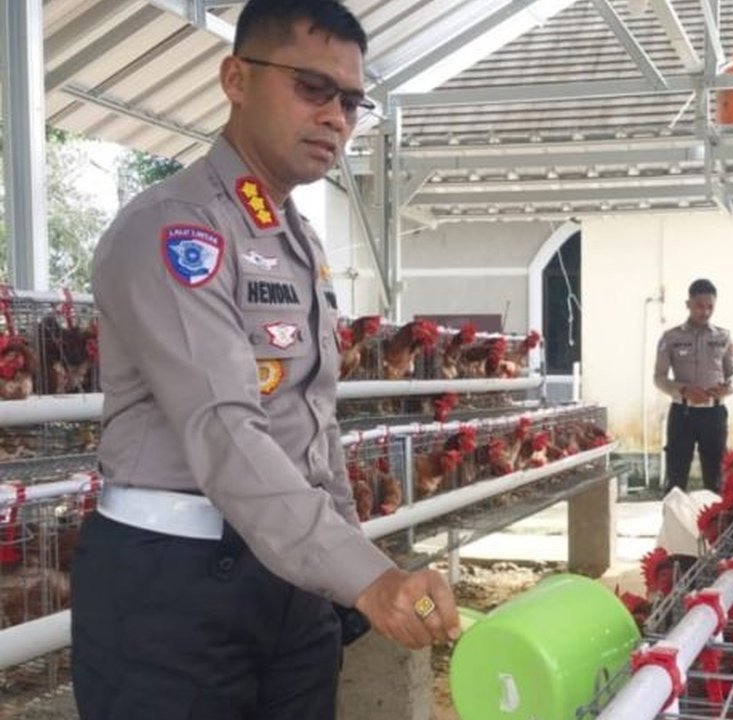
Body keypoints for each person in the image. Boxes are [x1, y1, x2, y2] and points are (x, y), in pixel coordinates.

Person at [70, 2, 459, 718]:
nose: (337, 116)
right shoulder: (176, 229)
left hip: (289, 580)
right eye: (313, 88)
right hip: (175, 588)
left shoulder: (297, 240)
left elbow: (313, 423)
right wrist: (364, 578)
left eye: (351, 100)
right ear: (235, 79)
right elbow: (223, 427)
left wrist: (347, 571)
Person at [654, 279, 733, 493]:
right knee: (676, 477)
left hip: (714, 414)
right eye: (700, 305)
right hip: (683, 414)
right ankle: (672, 524)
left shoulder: (724, 336)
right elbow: (659, 377)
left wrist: (728, 387)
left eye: (710, 306)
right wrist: (683, 390)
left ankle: (718, 525)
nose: (705, 311)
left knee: (716, 477)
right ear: (688, 304)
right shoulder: (671, 337)